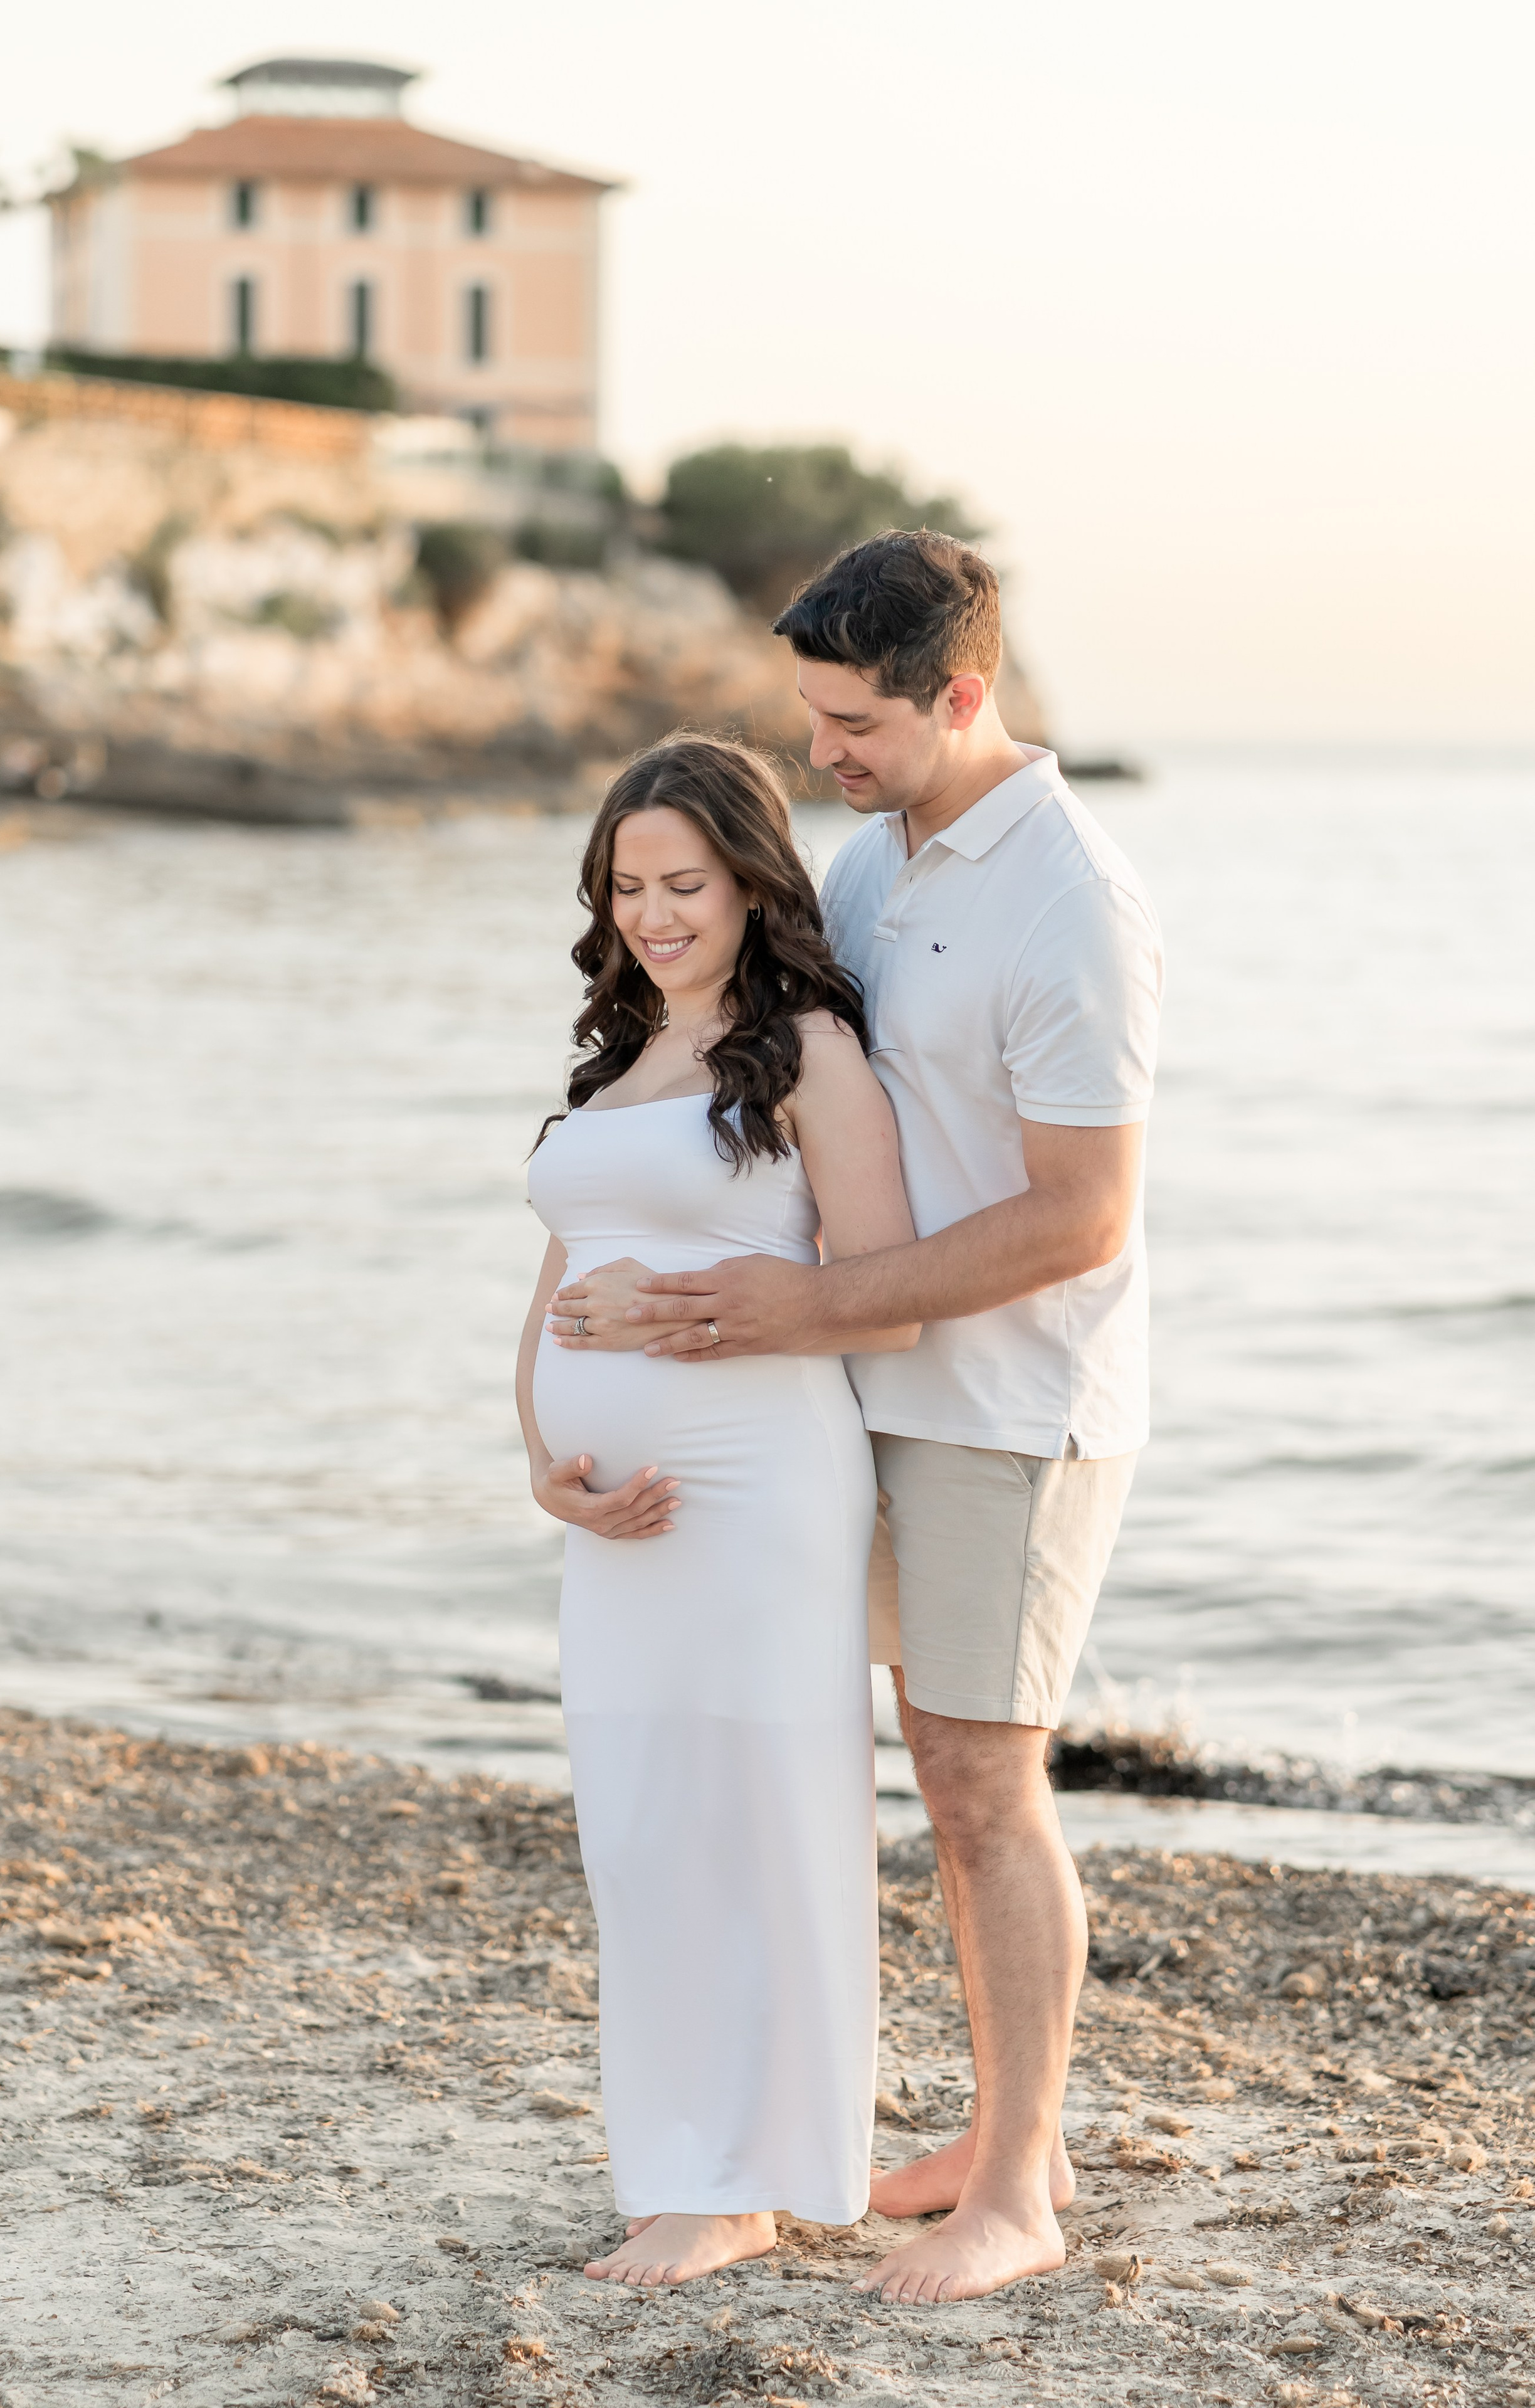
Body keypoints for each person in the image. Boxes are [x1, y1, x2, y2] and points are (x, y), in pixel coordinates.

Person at [549, 530, 1164, 2303]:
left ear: (961, 696)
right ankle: (995, 2135)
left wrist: (791, 1310)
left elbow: (1083, 1216)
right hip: (857, 1401)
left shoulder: (1070, 899)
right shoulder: (874, 865)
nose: (820, 753)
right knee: (932, 1769)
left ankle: (1020, 2191)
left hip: (1006, 1403)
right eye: (812, 720)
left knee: (981, 1776)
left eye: (854, 727)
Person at [517, 733, 919, 2287]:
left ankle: (751, 2182)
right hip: (613, 1523)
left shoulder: (806, 1050)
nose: (652, 915)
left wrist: (688, 1314)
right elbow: (555, 1292)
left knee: (755, 1814)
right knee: (638, 1824)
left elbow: (881, 1294)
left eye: (682, 883)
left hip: (758, 1493)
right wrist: (542, 1464)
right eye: (626, 887)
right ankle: (678, 2160)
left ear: (751, 882)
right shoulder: (612, 1069)